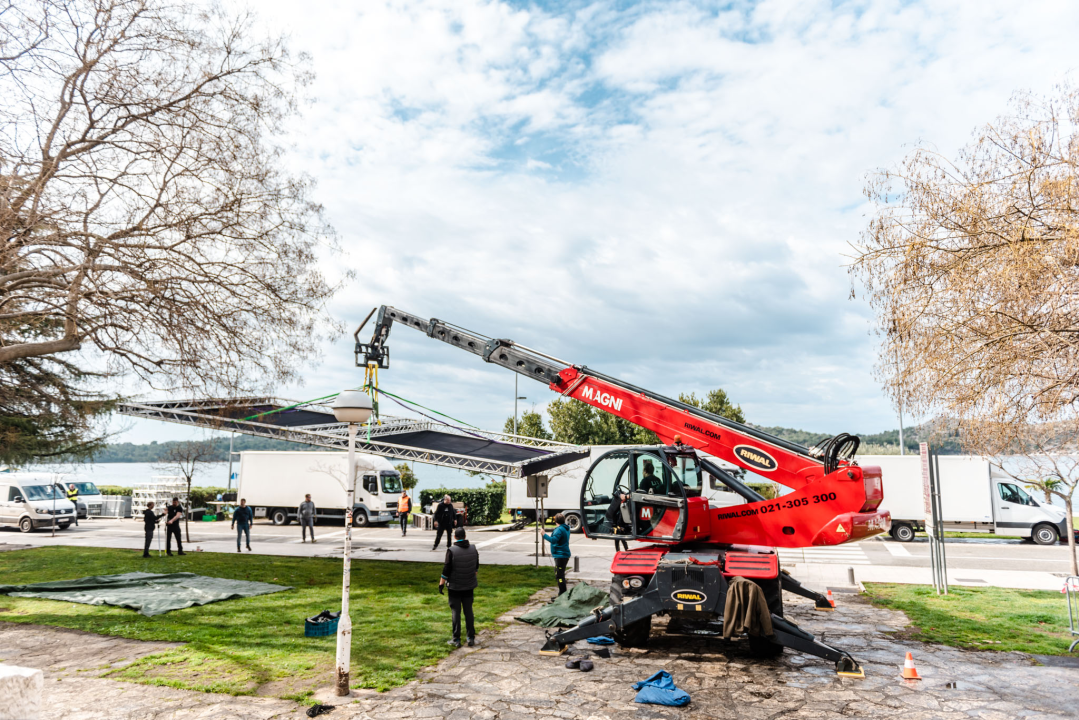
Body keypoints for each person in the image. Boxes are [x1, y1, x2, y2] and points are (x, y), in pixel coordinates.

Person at [439, 527, 479, 648]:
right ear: (465, 536)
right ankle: (470, 637)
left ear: (455, 537)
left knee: (456, 612)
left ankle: (456, 639)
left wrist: (441, 584)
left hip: (455, 587)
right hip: (469, 586)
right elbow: (476, 568)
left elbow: (446, 569)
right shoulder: (473, 549)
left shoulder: (451, 551)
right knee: (469, 612)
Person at [543, 513, 572, 595]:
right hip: (563, 554)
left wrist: (544, 534)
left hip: (561, 555)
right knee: (560, 575)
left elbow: (554, 540)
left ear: (556, 521)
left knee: (559, 576)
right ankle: (562, 594)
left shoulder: (559, 530)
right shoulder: (565, 528)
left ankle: (562, 595)